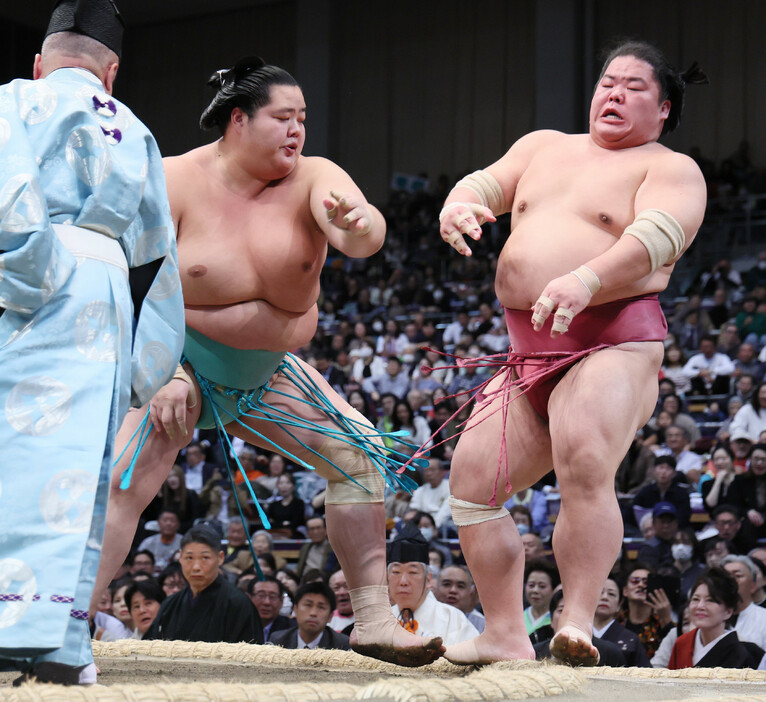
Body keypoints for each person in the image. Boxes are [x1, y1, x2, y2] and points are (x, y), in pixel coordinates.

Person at [94, 57, 441, 666]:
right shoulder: (173, 179)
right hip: (176, 363)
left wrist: (361, 226)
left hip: (266, 373)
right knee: (125, 481)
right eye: (283, 117)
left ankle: (373, 622)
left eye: (302, 119)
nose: (297, 131)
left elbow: (364, 238)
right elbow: (129, 283)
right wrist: (165, 370)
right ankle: (69, 620)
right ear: (237, 120)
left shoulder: (314, 177)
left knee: (358, 457)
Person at [434, 41, 706, 665]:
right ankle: (503, 632)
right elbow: (487, 182)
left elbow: (657, 237)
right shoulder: (542, 147)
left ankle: (578, 620)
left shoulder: (670, 168)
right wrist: (459, 204)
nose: (614, 93)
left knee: (583, 458)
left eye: (635, 87)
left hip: (613, 339)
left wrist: (585, 279)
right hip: (526, 349)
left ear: (663, 109)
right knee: (473, 485)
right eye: (608, 81)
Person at [0, 0, 185, 684]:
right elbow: (160, 256)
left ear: (41, 62)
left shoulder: (14, 100)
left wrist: (27, 274)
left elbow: (8, 193)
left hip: (27, 280)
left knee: (14, 457)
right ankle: (57, 643)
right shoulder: (135, 129)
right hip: (104, 300)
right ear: (111, 74)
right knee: (79, 474)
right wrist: (150, 361)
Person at [144, 524, 262, 644]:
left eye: (205, 558)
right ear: (180, 557)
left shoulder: (238, 604)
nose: (196, 567)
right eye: (189, 558)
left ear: (220, 558)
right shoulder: (170, 604)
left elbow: (249, 655)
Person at [387, 523, 479, 646]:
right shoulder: (383, 619)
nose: (403, 581)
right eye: (396, 572)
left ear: (428, 579)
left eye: (413, 572)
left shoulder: (452, 618)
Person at [669, 567, 764, 669]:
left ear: (728, 611)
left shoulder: (746, 653)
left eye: (710, 600)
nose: (700, 606)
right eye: (695, 599)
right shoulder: (682, 643)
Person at [270, 581, 350, 650]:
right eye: (308, 605)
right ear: (295, 609)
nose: (313, 613)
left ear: (330, 616)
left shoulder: (342, 644)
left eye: (321, 607)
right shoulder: (278, 640)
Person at [592, 577, 651, 667]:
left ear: (619, 604)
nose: (605, 597)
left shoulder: (631, 639)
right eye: (600, 592)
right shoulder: (578, 632)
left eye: (611, 594)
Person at [434, 566, 486, 633]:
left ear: (471, 592)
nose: (453, 590)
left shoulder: (481, 626)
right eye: (447, 584)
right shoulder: (422, 618)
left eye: (460, 586)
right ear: (435, 588)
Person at [247, 576, 291, 642]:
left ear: (281, 601)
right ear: (248, 598)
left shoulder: (290, 630)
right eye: (261, 595)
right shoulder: (237, 625)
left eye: (272, 597)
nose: (267, 602)